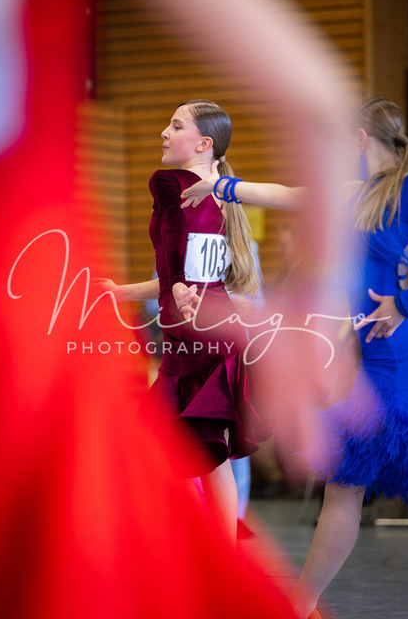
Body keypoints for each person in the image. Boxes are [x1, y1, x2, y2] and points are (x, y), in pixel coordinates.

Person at [182, 96, 408, 618]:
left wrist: (403, 302)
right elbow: (287, 196)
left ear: (359, 140)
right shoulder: (358, 193)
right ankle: (300, 605)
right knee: (344, 488)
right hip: (376, 361)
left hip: (403, 357)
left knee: (347, 487)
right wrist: (219, 186)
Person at [97, 99, 271, 544]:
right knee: (206, 461)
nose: (164, 132)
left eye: (175, 126)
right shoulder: (224, 193)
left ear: (203, 143)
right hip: (214, 336)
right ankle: (210, 557)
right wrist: (124, 292)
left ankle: (180, 552)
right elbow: (190, 276)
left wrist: (175, 285)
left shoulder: (168, 181)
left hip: (195, 340)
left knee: (162, 449)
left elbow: (175, 241)